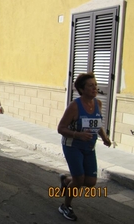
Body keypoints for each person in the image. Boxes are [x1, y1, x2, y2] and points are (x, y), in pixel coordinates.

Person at [57, 72, 111, 221]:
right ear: (82, 89)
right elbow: (61, 128)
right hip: (72, 146)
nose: (95, 88)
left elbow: (97, 123)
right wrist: (78, 135)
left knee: (90, 182)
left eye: (95, 85)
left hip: (89, 147)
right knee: (79, 179)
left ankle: (66, 181)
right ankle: (65, 206)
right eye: (91, 86)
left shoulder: (98, 104)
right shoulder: (74, 106)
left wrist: (104, 138)